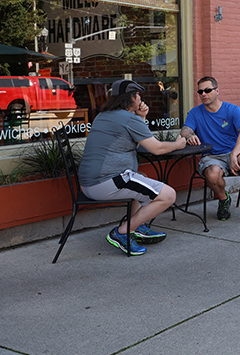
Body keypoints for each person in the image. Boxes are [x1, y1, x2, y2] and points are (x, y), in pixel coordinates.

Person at [78, 80, 186, 256]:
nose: (141, 98)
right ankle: (121, 233)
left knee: (140, 176)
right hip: (107, 181)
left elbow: (132, 141)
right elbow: (157, 149)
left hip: (89, 184)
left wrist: (141, 118)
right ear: (131, 98)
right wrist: (178, 144)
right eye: (138, 94)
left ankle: (137, 227)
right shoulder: (128, 119)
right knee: (168, 195)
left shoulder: (103, 115)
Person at [181, 76, 240, 223]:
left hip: (234, 151)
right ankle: (224, 199)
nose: (204, 94)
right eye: (200, 92)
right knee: (213, 175)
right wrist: (189, 135)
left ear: (217, 90)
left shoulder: (232, 110)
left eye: (207, 90)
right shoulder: (195, 113)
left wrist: (234, 154)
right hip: (212, 156)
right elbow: (184, 131)